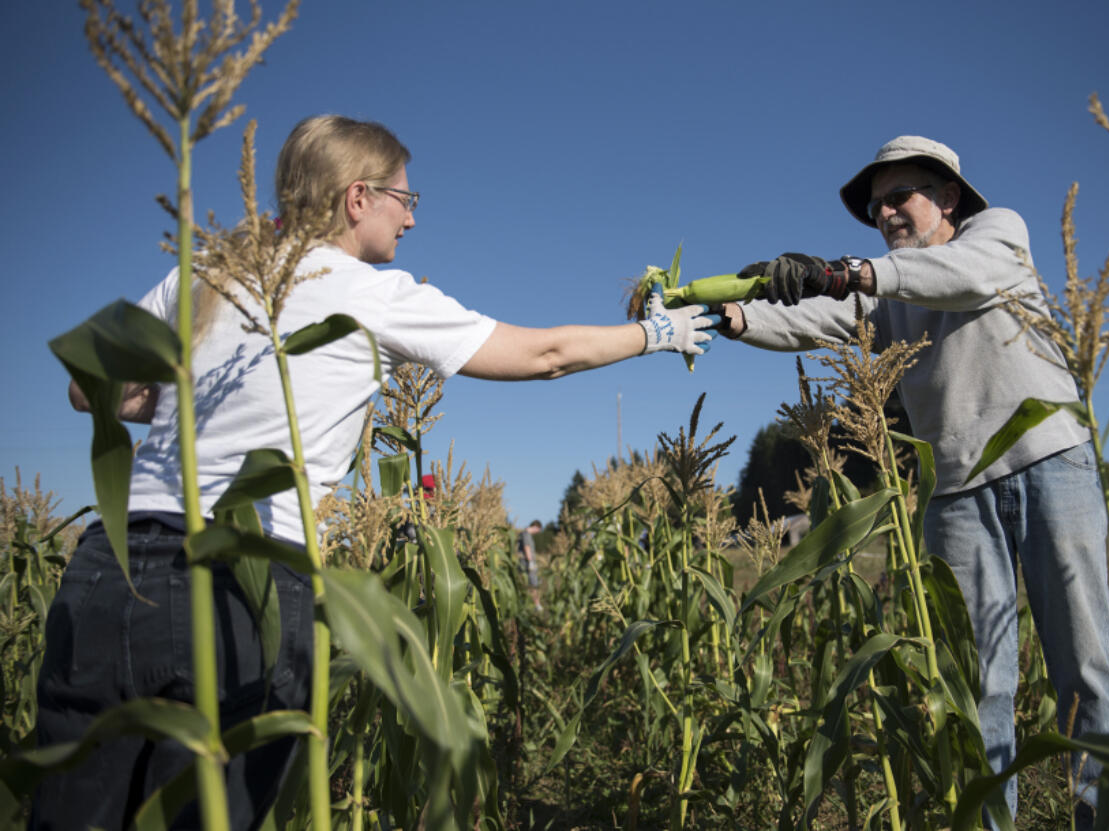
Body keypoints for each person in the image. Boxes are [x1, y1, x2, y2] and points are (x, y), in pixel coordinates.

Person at [33, 114, 718, 830]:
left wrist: (195, 389)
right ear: (358, 198)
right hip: (241, 587)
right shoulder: (372, 294)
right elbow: (544, 353)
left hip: (110, 573)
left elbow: (88, 387)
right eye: (406, 200)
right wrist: (654, 335)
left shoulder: (203, 273)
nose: (411, 220)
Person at [716, 136, 1109, 828]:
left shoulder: (1000, 233)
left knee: (1085, 669)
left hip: (1050, 462)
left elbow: (959, 278)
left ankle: (1106, 818)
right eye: (876, 206)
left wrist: (843, 272)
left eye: (898, 196)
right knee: (977, 686)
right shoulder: (887, 291)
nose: (885, 213)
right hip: (957, 491)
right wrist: (737, 313)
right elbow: (812, 320)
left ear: (948, 197)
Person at [517, 519, 544, 611]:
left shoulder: (524, 534)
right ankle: (537, 605)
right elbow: (527, 548)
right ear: (536, 527)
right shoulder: (526, 535)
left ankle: (531, 604)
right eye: (538, 530)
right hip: (527, 564)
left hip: (525, 563)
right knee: (533, 584)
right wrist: (531, 562)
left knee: (529, 584)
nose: (537, 532)